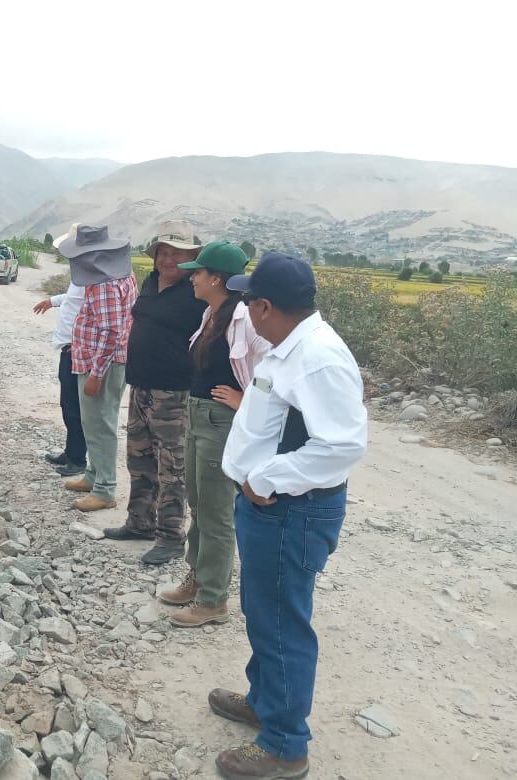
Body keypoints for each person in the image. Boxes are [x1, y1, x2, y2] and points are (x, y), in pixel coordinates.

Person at [208, 253, 368, 780]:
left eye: (250, 301)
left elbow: (341, 447)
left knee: (281, 623)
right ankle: (265, 702)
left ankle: (284, 745)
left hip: (288, 511)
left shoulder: (318, 358)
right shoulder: (289, 348)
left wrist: (265, 478)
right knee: (264, 612)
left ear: (265, 307)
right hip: (270, 507)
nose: (246, 310)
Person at [157, 241, 268, 627]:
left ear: (217, 279)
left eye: (199, 273)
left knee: (216, 512)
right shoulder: (213, 314)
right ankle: (197, 578)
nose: (192, 278)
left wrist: (245, 399)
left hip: (222, 422)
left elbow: (272, 369)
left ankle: (213, 599)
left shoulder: (245, 319)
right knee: (198, 503)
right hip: (199, 416)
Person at [102, 220, 208, 565]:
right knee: (139, 460)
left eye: (178, 253)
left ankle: (171, 537)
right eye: (164, 252)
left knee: (171, 468)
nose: (169, 259)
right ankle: (140, 523)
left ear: (191, 258)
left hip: (174, 394)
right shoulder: (150, 282)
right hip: (141, 387)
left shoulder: (196, 293)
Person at [58, 225, 138, 512]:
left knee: (100, 425)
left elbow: (111, 331)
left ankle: (105, 488)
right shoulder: (119, 275)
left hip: (101, 365)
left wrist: (96, 374)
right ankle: (93, 475)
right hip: (103, 362)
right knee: (93, 422)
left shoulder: (105, 283)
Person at [34, 224, 87, 477]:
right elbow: (73, 298)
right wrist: (52, 301)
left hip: (78, 350)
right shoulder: (81, 273)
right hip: (68, 349)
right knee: (67, 404)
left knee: (75, 406)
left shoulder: (92, 273)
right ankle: (71, 450)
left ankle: (78, 459)